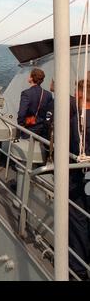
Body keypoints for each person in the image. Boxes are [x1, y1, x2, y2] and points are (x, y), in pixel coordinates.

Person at [68, 79, 90, 280]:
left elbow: (76, 148)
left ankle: (78, 267)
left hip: (80, 179)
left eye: (77, 90)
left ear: (82, 94)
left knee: (78, 218)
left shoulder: (79, 120)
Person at [17, 68, 53, 138]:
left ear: (31, 78)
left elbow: (22, 113)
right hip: (42, 129)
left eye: (30, 76)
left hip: (29, 128)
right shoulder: (48, 94)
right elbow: (49, 113)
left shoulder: (26, 93)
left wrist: (21, 124)